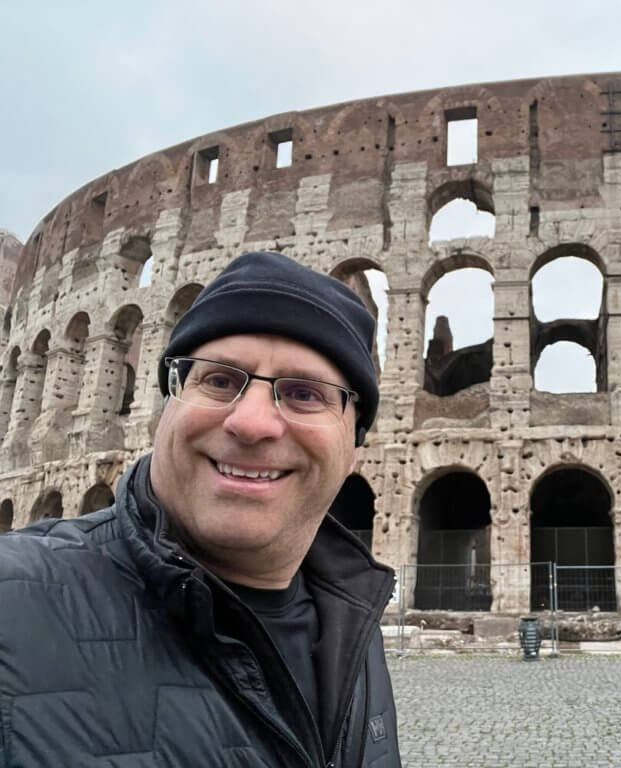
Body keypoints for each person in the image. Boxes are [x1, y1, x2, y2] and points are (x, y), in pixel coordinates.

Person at [0, 251, 401, 768]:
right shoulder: (12, 608)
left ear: (354, 446)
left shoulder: (354, 637)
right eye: (219, 380)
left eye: (304, 394)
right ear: (166, 404)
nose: (252, 423)